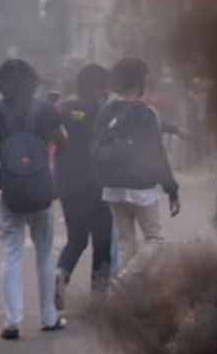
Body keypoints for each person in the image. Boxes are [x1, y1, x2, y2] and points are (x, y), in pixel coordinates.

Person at [0, 59, 67, 340]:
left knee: (11, 254)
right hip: (42, 189)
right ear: (33, 81)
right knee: (44, 254)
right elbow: (64, 142)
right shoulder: (45, 111)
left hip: (10, 189)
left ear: (0, 83)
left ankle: (12, 322)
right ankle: (49, 317)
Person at [92, 57, 180, 276]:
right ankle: (123, 282)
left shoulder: (107, 110)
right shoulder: (146, 113)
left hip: (112, 187)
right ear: (140, 83)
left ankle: (122, 300)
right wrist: (172, 190)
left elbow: (94, 146)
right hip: (139, 187)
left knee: (126, 242)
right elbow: (157, 154)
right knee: (156, 239)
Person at [54, 63, 112, 304]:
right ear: (100, 87)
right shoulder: (104, 112)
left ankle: (62, 271)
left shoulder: (63, 109)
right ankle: (98, 297)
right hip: (97, 184)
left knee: (76, 238)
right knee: (102, 241)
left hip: (68, 184)